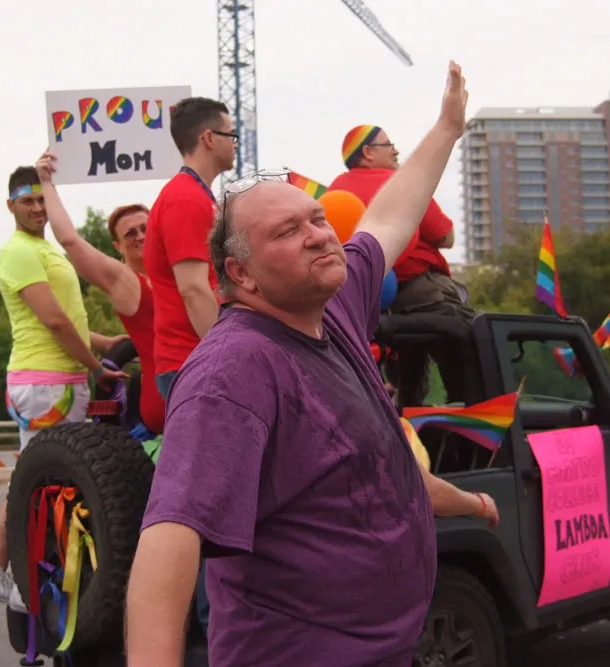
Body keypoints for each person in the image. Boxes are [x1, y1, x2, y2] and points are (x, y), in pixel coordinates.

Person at [126, 61, 493, 667]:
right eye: (287, 232)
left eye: (318, 219)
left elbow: (389, 218)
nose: (320, 235)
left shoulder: (334, 307)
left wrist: (447, 128)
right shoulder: (232, 370)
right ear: (241, 274)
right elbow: (169, 539)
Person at [0, 165, 126, 610]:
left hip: (56, 380)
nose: (38, 208)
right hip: (46, 383)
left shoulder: (45, 248)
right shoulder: (18, 251)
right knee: (45, 485)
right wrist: (97, 367)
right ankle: (22, 582)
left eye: (42, 199)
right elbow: (54, 321)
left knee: (36, 479)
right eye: (28, 201)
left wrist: (105, 343)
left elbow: (67, 320)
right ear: (10, 206)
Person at [329, 124, 475, 408]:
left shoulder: (336, 188)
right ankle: (470, 426)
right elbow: (445, 236)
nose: (396, 150)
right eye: (388, 144)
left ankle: (401, 418)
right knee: (468, 351)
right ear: (368, 152)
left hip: (364, 297)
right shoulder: (401, 183)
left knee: (404, 379)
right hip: (420, 287)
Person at [33, 150, 166, 436]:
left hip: (195, 386)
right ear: (117, 246)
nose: (141, 236)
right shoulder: (126, 282)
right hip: (169, 398)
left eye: (146, 228)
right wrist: (47, 184)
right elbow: (70, 240)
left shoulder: (179, 274)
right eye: (131, 233)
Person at [144, 96, 237, 402]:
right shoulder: (186, 199)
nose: (235, 143)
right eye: (231, 134)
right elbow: (194, 290)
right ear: (209, 138)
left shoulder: (194, 195)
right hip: (193, 360)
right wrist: (229, 355)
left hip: (194, 359)